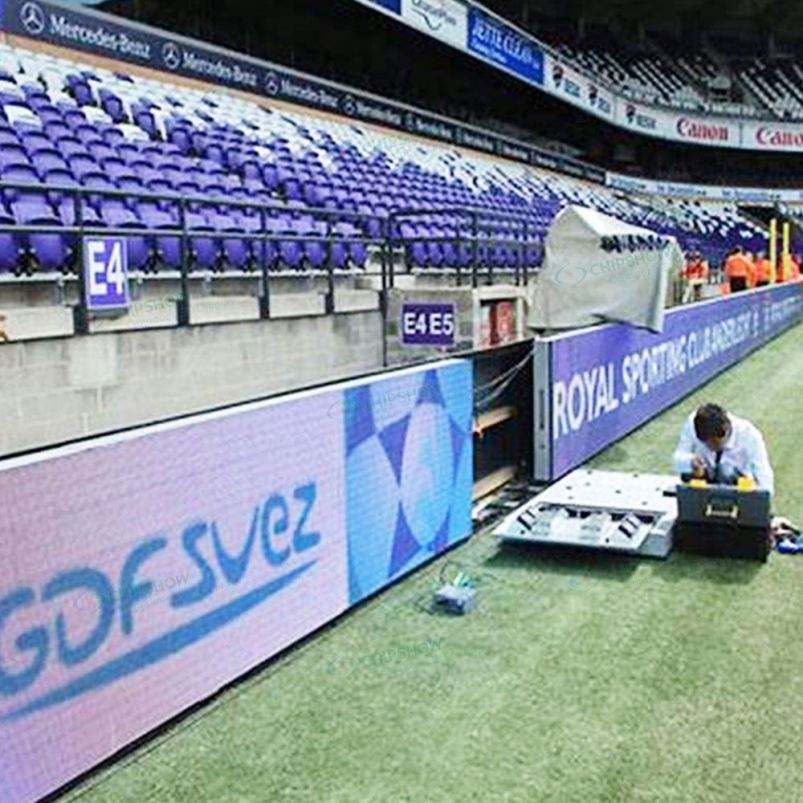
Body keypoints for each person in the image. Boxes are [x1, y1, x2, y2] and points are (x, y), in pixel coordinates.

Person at [673, 403, 774, 494]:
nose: (711, 448)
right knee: (687, 474)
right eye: (706, 444)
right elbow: (678, 457)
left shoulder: (749, 435)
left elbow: (763, 470)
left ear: (726, 429)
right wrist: (690, 462)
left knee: (726, 471)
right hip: (704, 478)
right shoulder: (692, 424)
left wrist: (765, 497)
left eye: (715, 443)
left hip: (738, 484)